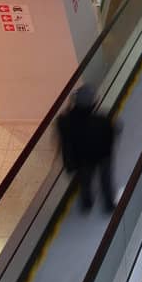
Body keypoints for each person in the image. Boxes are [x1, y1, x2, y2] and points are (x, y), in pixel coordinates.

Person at [57, 83, 118, 213]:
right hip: (102, 156)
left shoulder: (64, 121)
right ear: (93, 104)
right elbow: (111, 136)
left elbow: (65, 141)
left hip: (81, 160)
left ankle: (86, 204)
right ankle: (108, 204)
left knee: (85, 182)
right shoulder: (102, 121)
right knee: (105, 180)